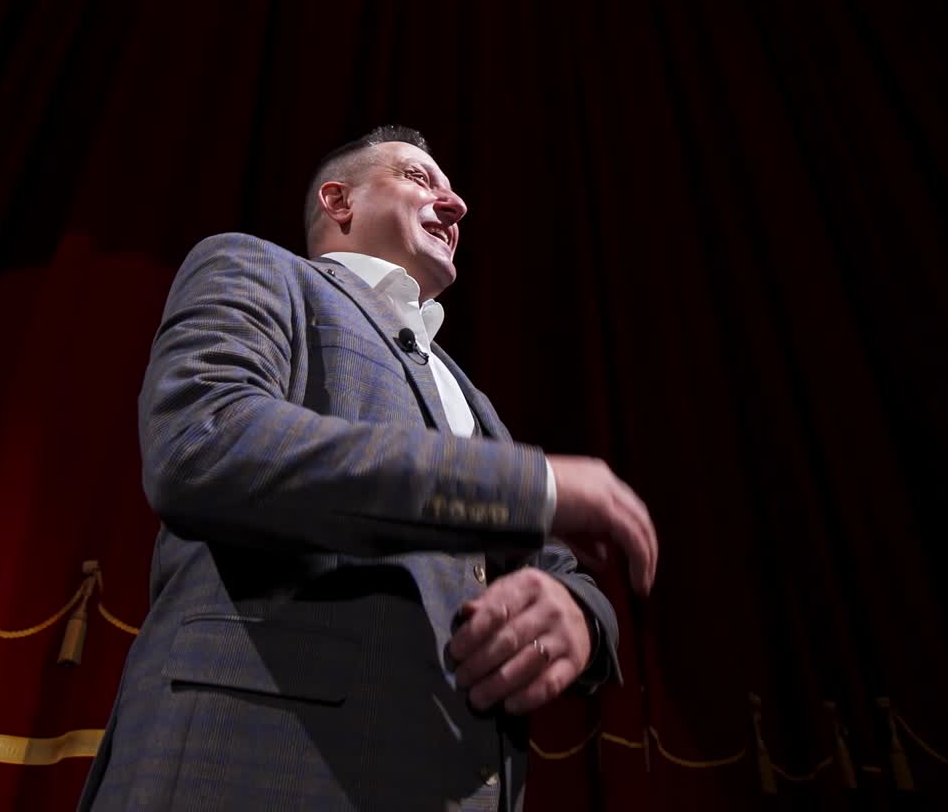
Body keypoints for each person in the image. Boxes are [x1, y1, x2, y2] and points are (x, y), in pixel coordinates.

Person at [79, 125, 657, 811]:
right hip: (254, 770)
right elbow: (206, 442)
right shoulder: (256, 270)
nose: (456, 204)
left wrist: (579, 619)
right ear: (338, 200)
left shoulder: (472, 399)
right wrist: (537, 485)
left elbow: (561, 571)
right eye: (419, 177)